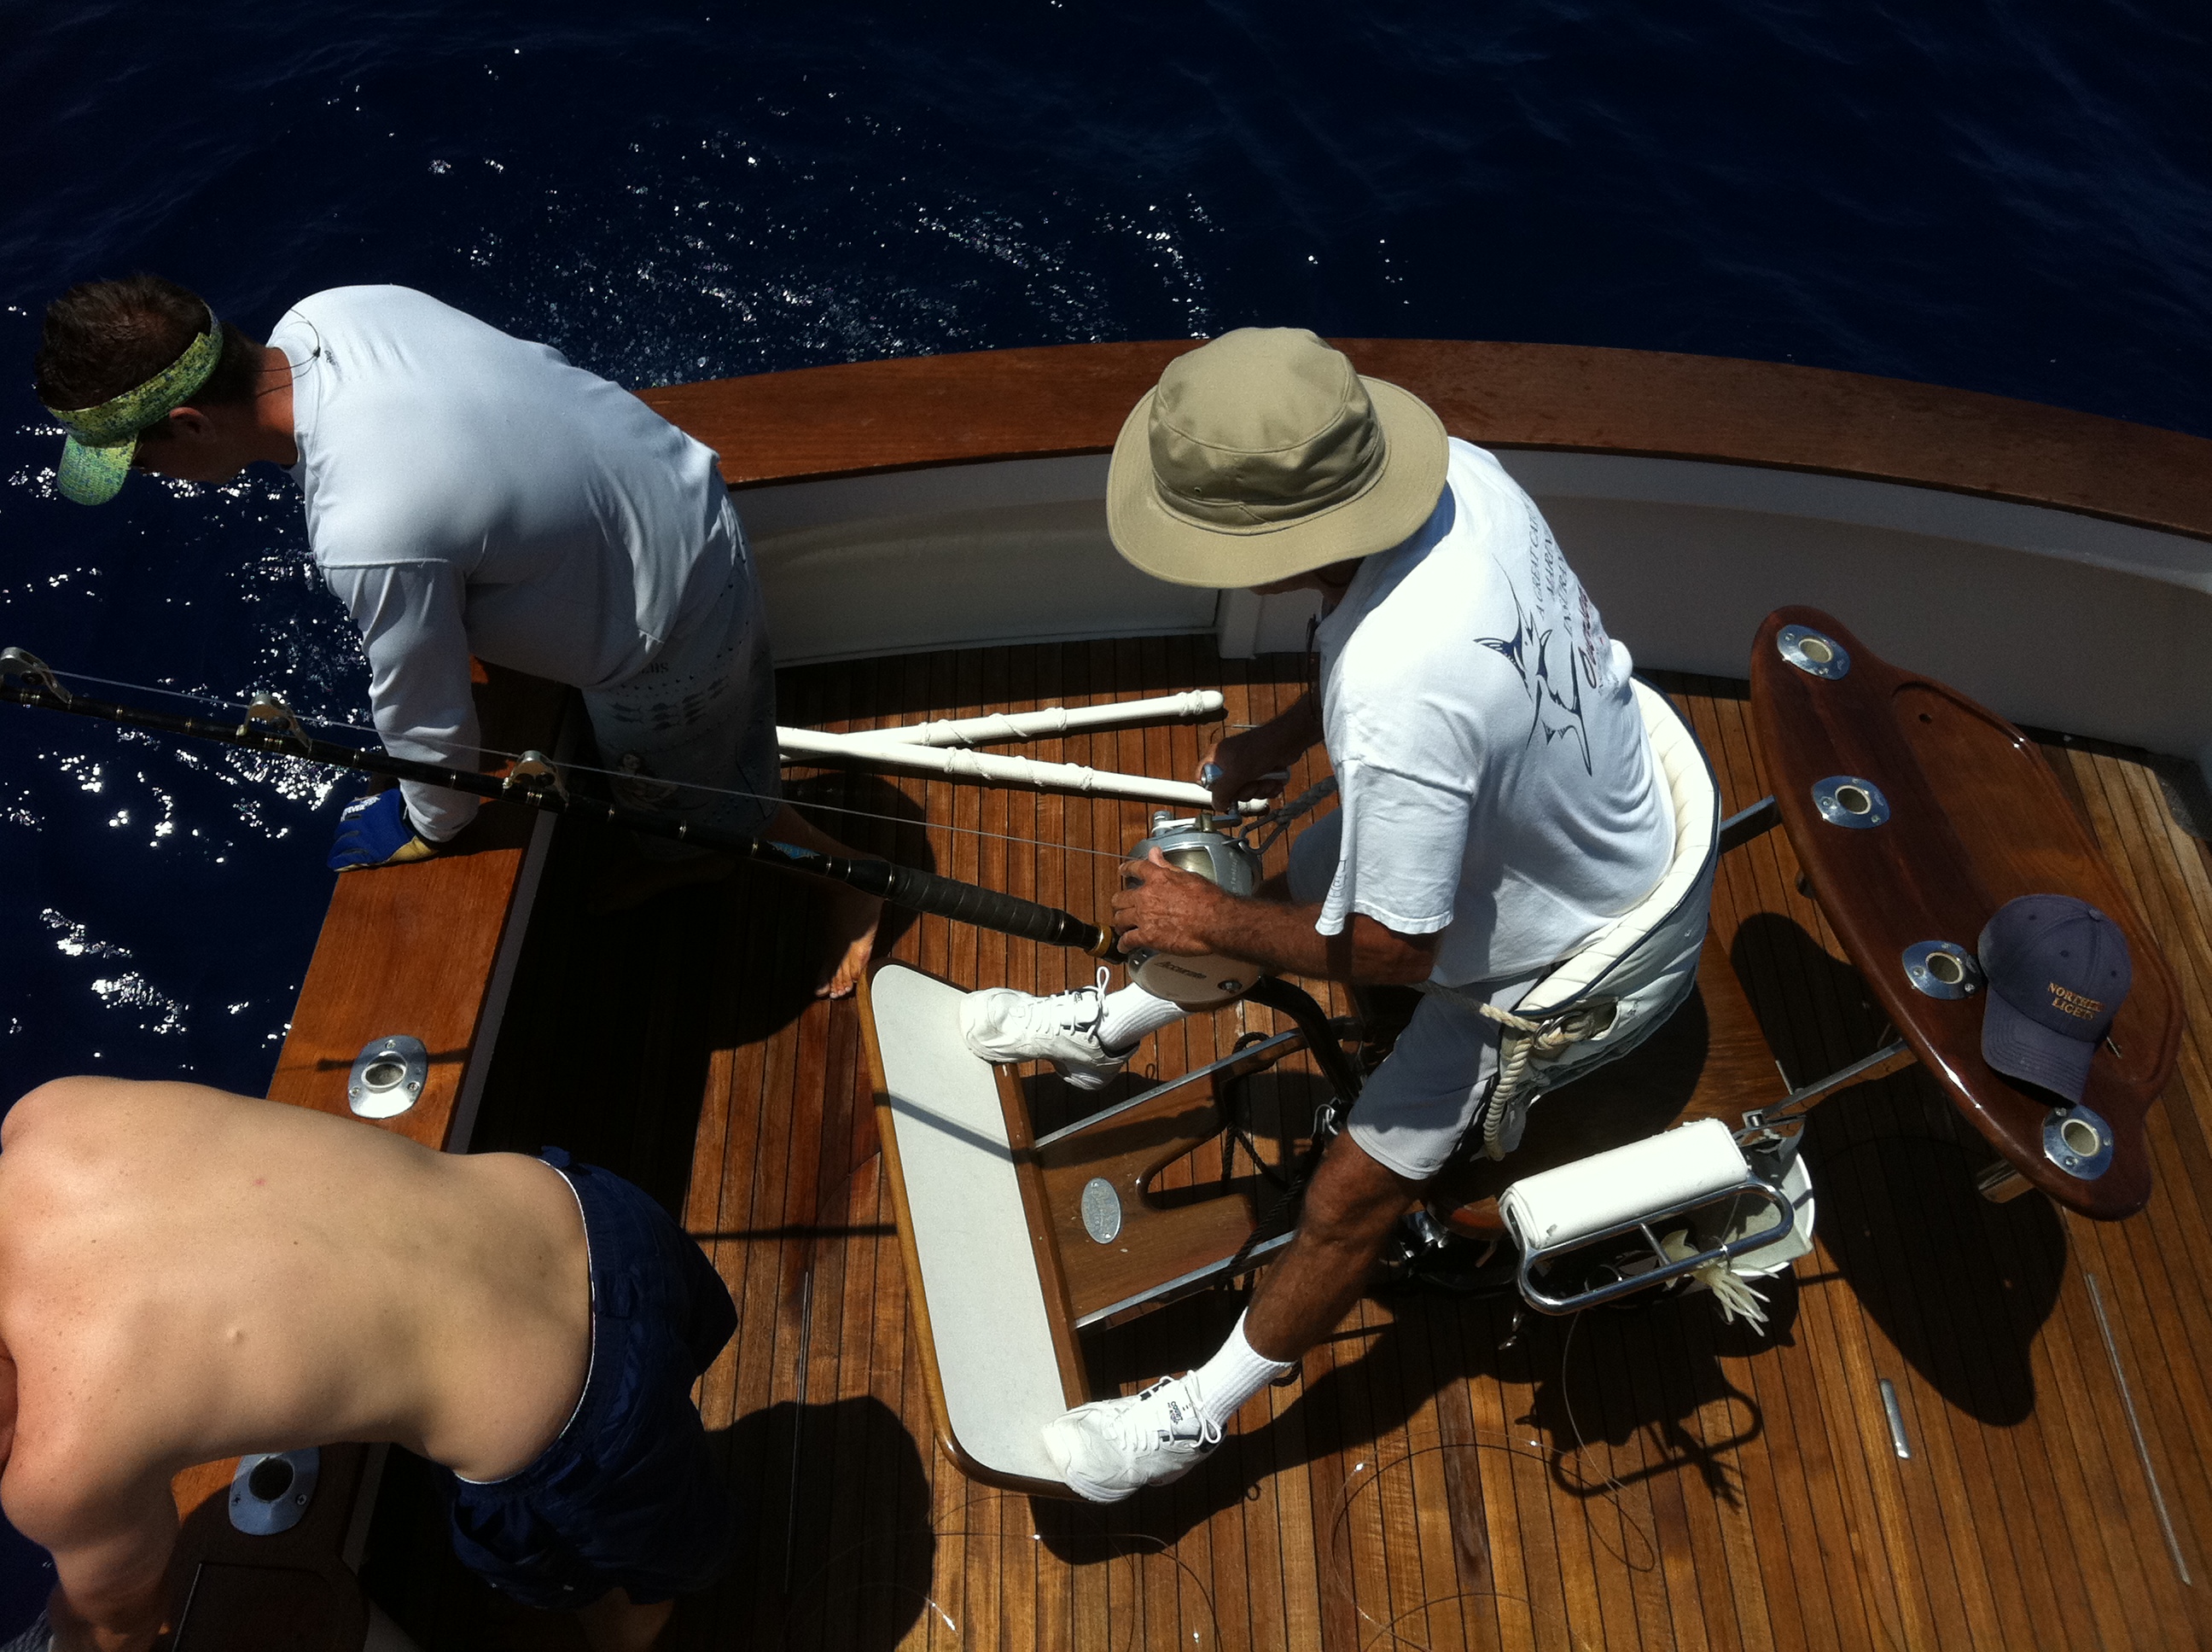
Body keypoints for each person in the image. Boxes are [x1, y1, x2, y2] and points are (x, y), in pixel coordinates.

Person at [959, 329, 1678, 1502]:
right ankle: (1110, 1035)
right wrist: (1289, 736)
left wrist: (1204, 921)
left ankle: (1196, 1418)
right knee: (1285, 881)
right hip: (1577, 809)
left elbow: (1395, 951)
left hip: (1566, 954)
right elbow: (1368, 651)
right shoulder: (1460, 478)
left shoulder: (1403, 695)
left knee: (1351, 1195)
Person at [32, 276, 877, 996]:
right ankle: (679, 850)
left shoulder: (368, 528)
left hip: (672, 639)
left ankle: (848, 879)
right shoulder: (335, 312)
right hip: (677, 497)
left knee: (711, 802)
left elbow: (427, 719)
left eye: (144, 463)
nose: (156, 480)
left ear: (189, 423)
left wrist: (429, 823)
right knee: (670, 798)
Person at [0, 1075, 736, 1652]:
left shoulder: (56, 1467)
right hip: (594, 1214)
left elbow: (117, 1626)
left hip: (577, 1435)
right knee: (672, 1378)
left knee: (624, 1595)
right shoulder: (46, 1117)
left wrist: (71, 1627)